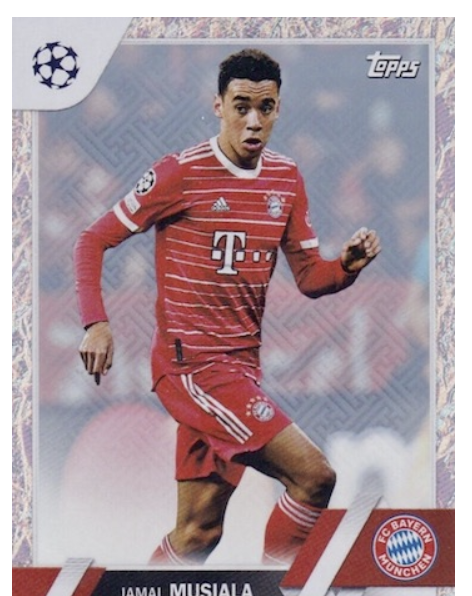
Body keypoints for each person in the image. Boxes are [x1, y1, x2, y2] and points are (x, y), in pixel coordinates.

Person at [74, 49, 381, 567]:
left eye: (266, 107)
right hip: (192, 369)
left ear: (279, 109)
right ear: (218, 106)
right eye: (241, 106)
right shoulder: (180, 173)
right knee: (314, 477)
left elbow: (310, 278)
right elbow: (92, 239)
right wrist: (95, 322)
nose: (254, 120)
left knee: (198, 533)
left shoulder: (286, 179)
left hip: (241, 371)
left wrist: (346, 266)